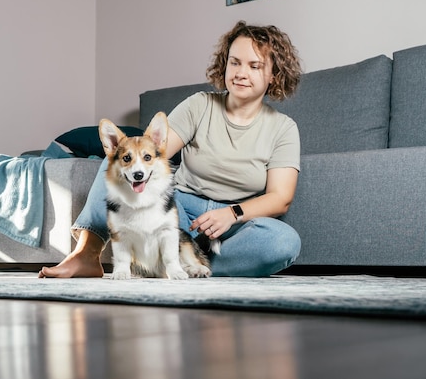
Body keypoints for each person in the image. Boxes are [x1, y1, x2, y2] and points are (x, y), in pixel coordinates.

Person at [39, 20, 303, 278]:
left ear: (274, 75)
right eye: (234, 62)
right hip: (180, 209)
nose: (240, 73)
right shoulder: (200, 105)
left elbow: (280, 198)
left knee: (284, 241)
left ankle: (182, 263)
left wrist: (231, 214)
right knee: (115, 165)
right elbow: (152, 153)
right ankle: (87, 255)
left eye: (254, 66)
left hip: (235, 221)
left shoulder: (284, 128)